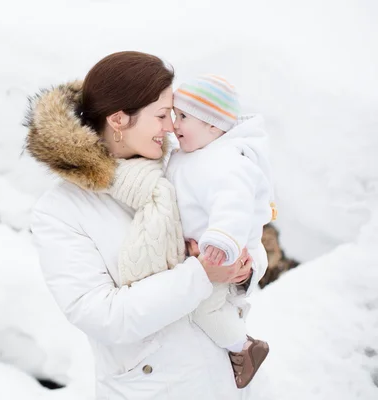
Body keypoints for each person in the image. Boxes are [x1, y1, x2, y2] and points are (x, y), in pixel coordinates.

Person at [26, 51, 262, 399]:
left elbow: (244, 226)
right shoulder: (61, 209)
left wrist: (243, 267)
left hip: (225, 382)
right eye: (162, 115)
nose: (172, 127)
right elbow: (102, 315)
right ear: (119, 120)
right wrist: (200, 275)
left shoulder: (180, 166)